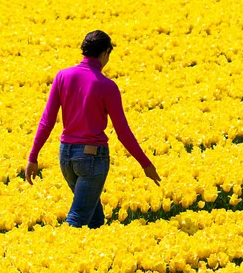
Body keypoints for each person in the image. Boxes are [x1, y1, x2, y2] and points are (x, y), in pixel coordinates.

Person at [25, 30, 161, 228]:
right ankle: (60, 253)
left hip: (66, 158)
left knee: (94, 219)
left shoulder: (62, 76)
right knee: (78, 219)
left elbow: (47, 121)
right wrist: (145, 163)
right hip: (92, 158)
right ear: (105, 53)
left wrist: (33, 157)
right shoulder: (107, 86)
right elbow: (122, 132)